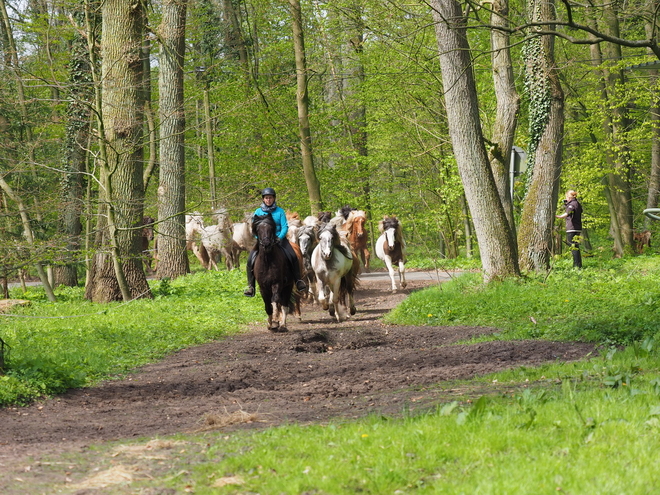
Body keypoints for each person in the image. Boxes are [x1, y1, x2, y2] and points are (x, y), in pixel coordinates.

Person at [244, 188, 308, 297]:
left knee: (292, 255)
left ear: (274, 198)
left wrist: (279, 237)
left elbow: (284, 227)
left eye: (270, 198)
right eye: (266, 198)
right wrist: (259, 238)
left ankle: (298, 281)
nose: (268, 200)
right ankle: (251, 286)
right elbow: (254, 229)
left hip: (279, 240)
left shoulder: (279, 211)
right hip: (263, 241)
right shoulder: (258, 212)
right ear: (263, 199)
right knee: (251, 259)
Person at [556, 189, 583, 268]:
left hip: (572, 228)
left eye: (566, 197)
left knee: (573, 246)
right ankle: (578, 264)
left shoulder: (571, 204)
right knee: (576, 246)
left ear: (569, 197)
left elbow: (567, 213)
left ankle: (576, 266)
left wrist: (560, 216)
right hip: (577, 228)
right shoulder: (577, 203)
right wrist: (566, 204)